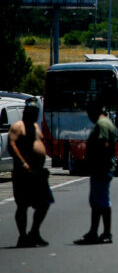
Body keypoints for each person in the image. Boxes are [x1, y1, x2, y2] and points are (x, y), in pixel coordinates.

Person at [8, 100, 53, 247]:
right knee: (23, 205)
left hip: (38, 173)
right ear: (25, 112)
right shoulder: (18, 126)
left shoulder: (35, 126)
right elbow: (12, 145)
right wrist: (23, 162)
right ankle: (23, 236)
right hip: (24, 173)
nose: (33, 115)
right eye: (31, 112)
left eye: (35, 113)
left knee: (44, 203)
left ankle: (34, 232)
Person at [74, 99, 118, 244]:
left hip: (101, 169)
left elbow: (103, 144)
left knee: (103, 202)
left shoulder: (102, 124)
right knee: (96, 202)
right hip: (100, 168)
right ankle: (93, 232)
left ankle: (106, 233)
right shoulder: (104, 123)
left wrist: (96, 162)